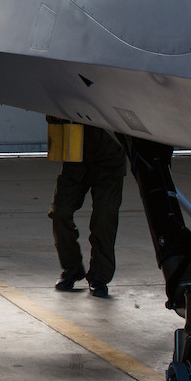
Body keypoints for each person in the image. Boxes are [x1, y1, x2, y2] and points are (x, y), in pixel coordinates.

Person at [47, 121, 127, 298]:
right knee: (60, 212)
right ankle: (72, 268)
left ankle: (99, 278)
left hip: (110, 159)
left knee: (104, 219)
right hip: (75, 155)